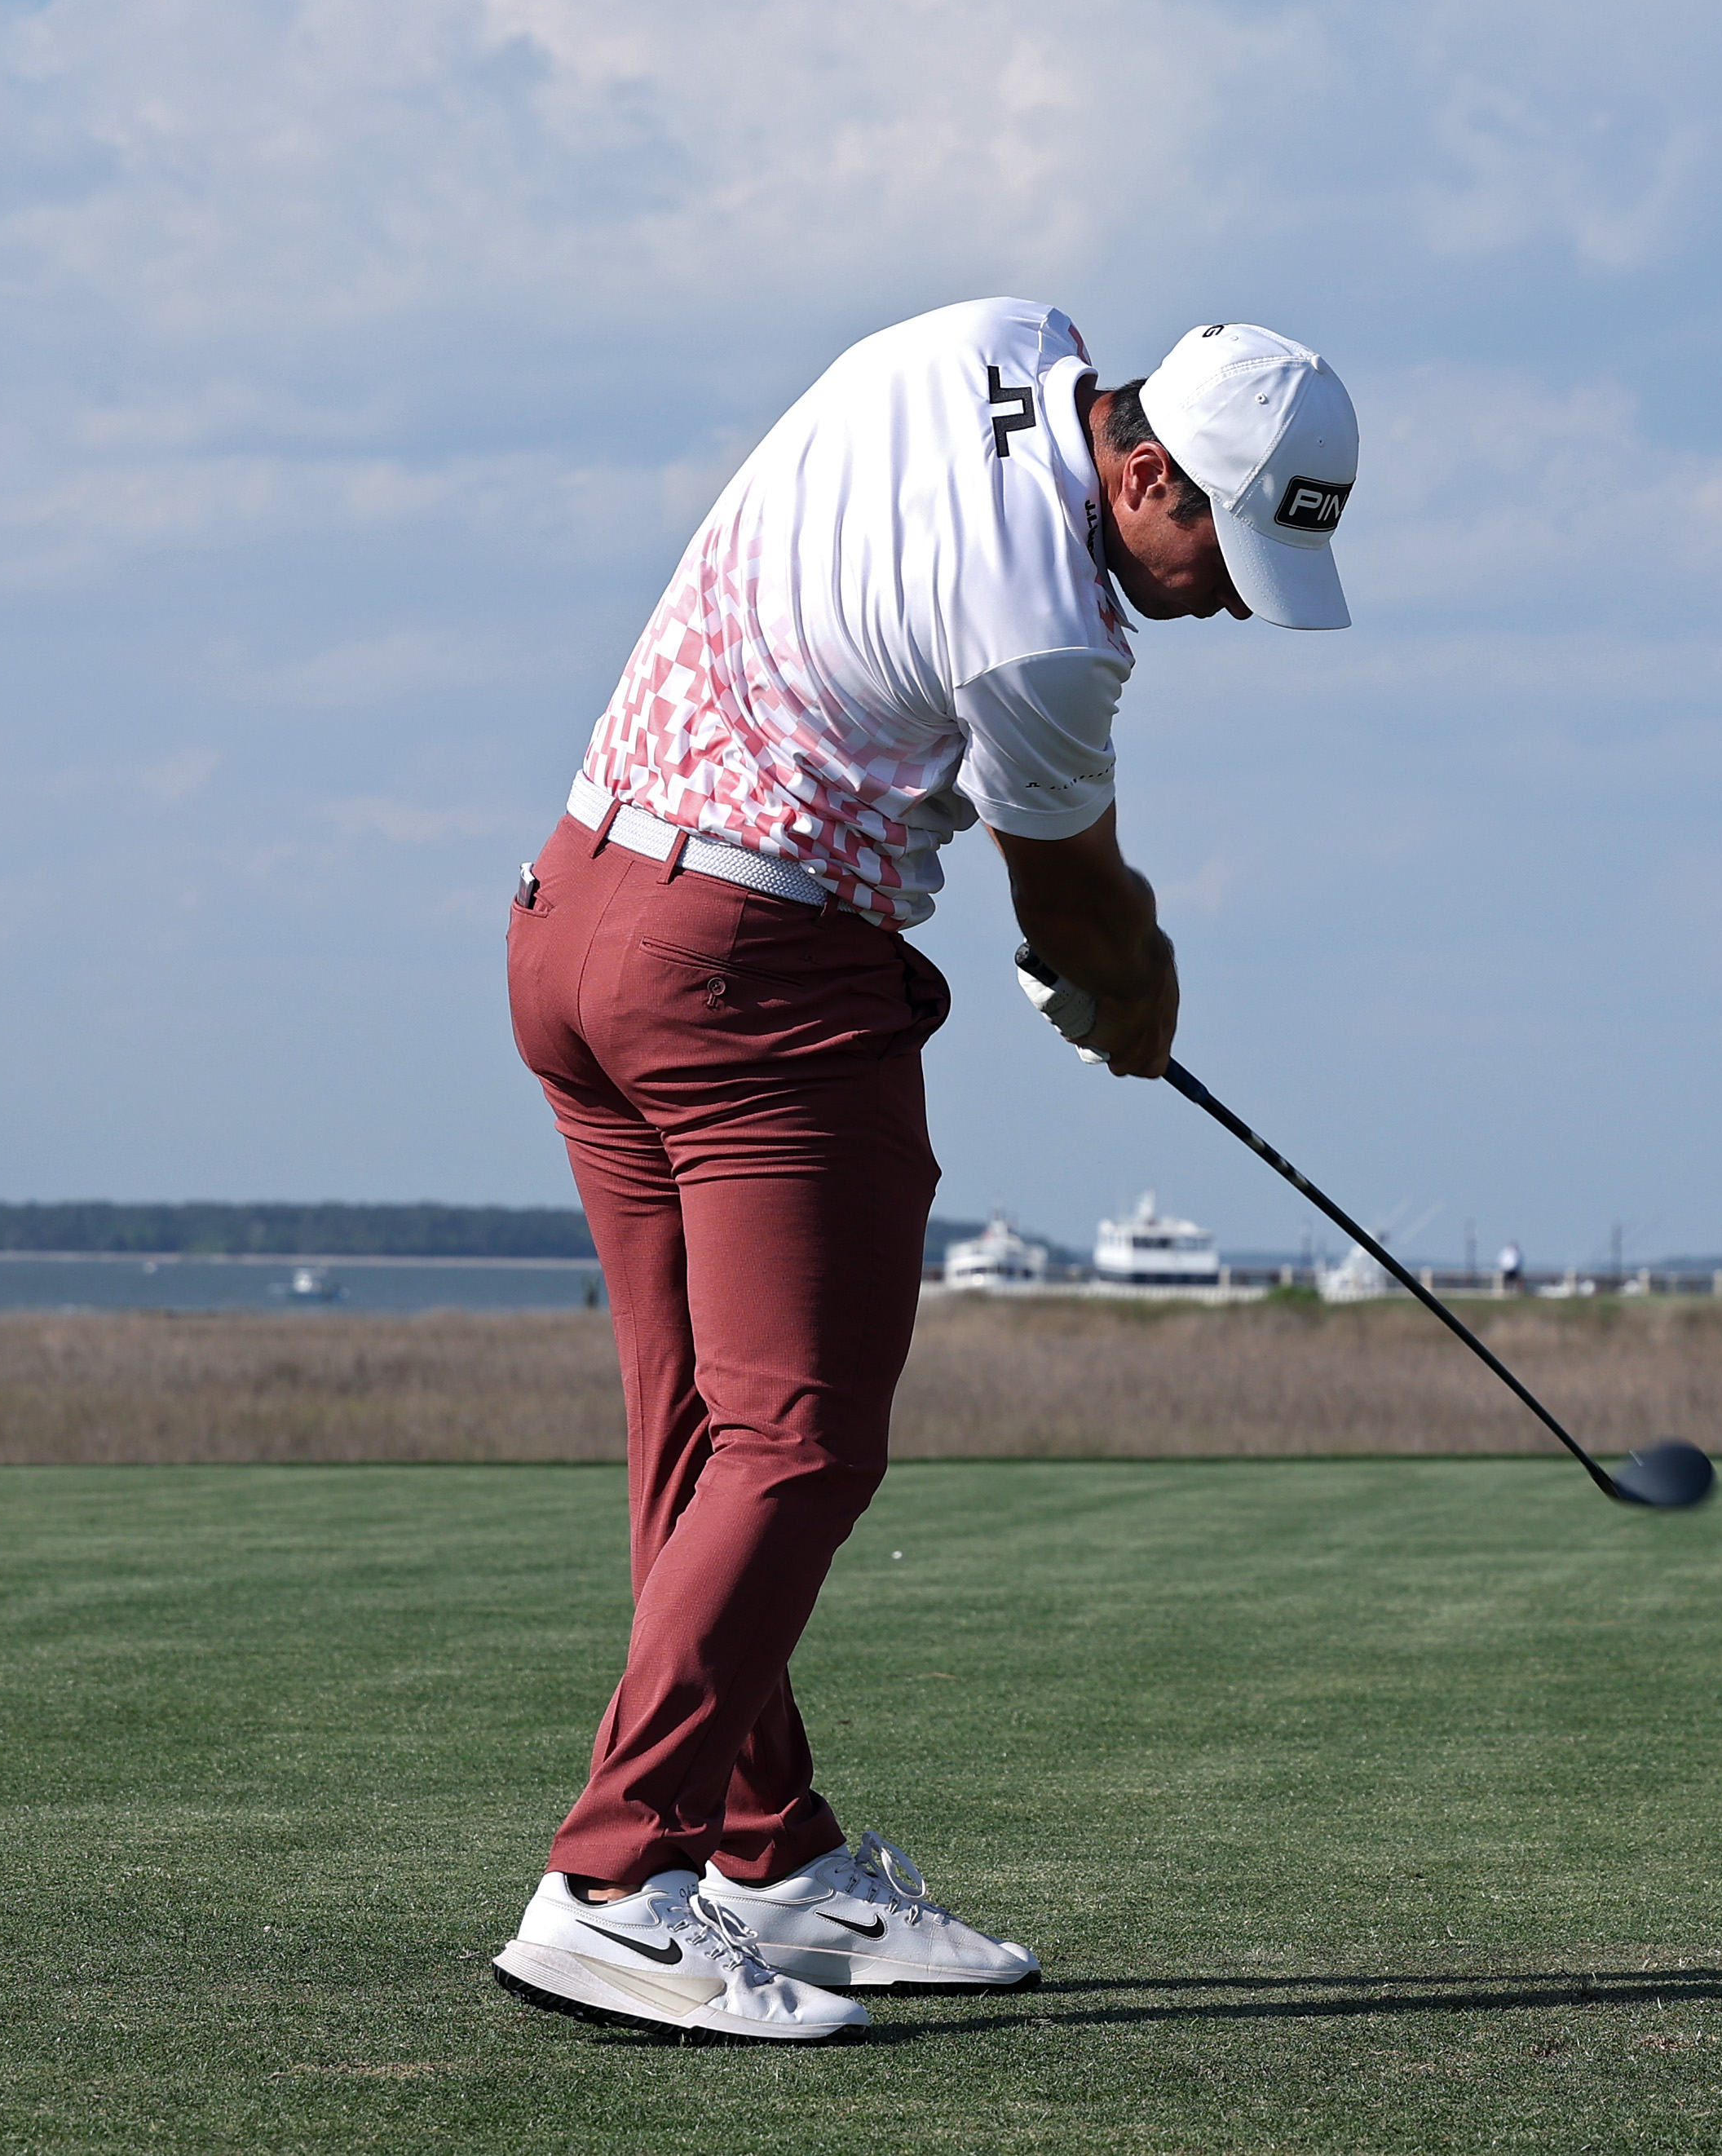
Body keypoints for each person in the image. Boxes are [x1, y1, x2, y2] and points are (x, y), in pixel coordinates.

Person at [490, 298, 1358, 2043]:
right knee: (799, 1440)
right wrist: (1133, 999)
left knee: (702, 1435)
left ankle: (769, 1858)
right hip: (755, 977)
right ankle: (609, 1886)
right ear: (1139, 466)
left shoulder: (977, 331)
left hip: (575, 917)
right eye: (1213, 552)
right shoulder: (1053, 640)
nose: (1215, 600)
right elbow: (1083, 914)